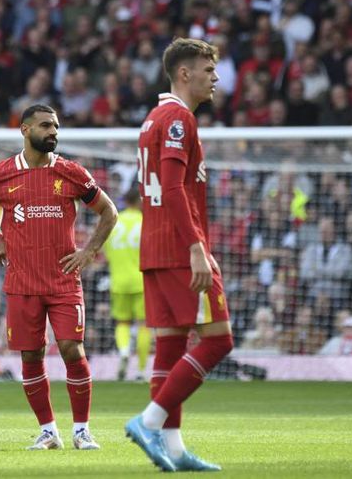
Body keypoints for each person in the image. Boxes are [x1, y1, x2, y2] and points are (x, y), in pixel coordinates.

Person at [0, 104, 118, 451]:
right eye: (46, 126)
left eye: (56, 126)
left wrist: (89, 251)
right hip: (22, 283)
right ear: (25, 130)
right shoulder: (0, 174)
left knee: (72, 349)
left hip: (63, 281)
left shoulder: (72, 172)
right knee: (31, 356)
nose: (53, 132)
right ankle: (48, 431)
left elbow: (109, 211)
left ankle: (82, 430)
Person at [125, 38, 232, 472]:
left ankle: (172, 450)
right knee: (218, 339)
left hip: (155, 247)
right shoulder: (177, 119)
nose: (216, 78)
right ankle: (149, 421)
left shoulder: (153, 118)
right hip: (177, 247)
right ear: (184, 73)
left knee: (169, 348)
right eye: (208, 70)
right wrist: (196, 249)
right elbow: (171, 188)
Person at [104, 187, 150, 381]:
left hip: (118, 281)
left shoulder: (114, 222)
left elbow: (105, 253)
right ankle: (140, 371)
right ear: (139, 202)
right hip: (142, 280)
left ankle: (123, 351)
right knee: (144, 325)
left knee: (122, 323)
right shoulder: (145, 222)